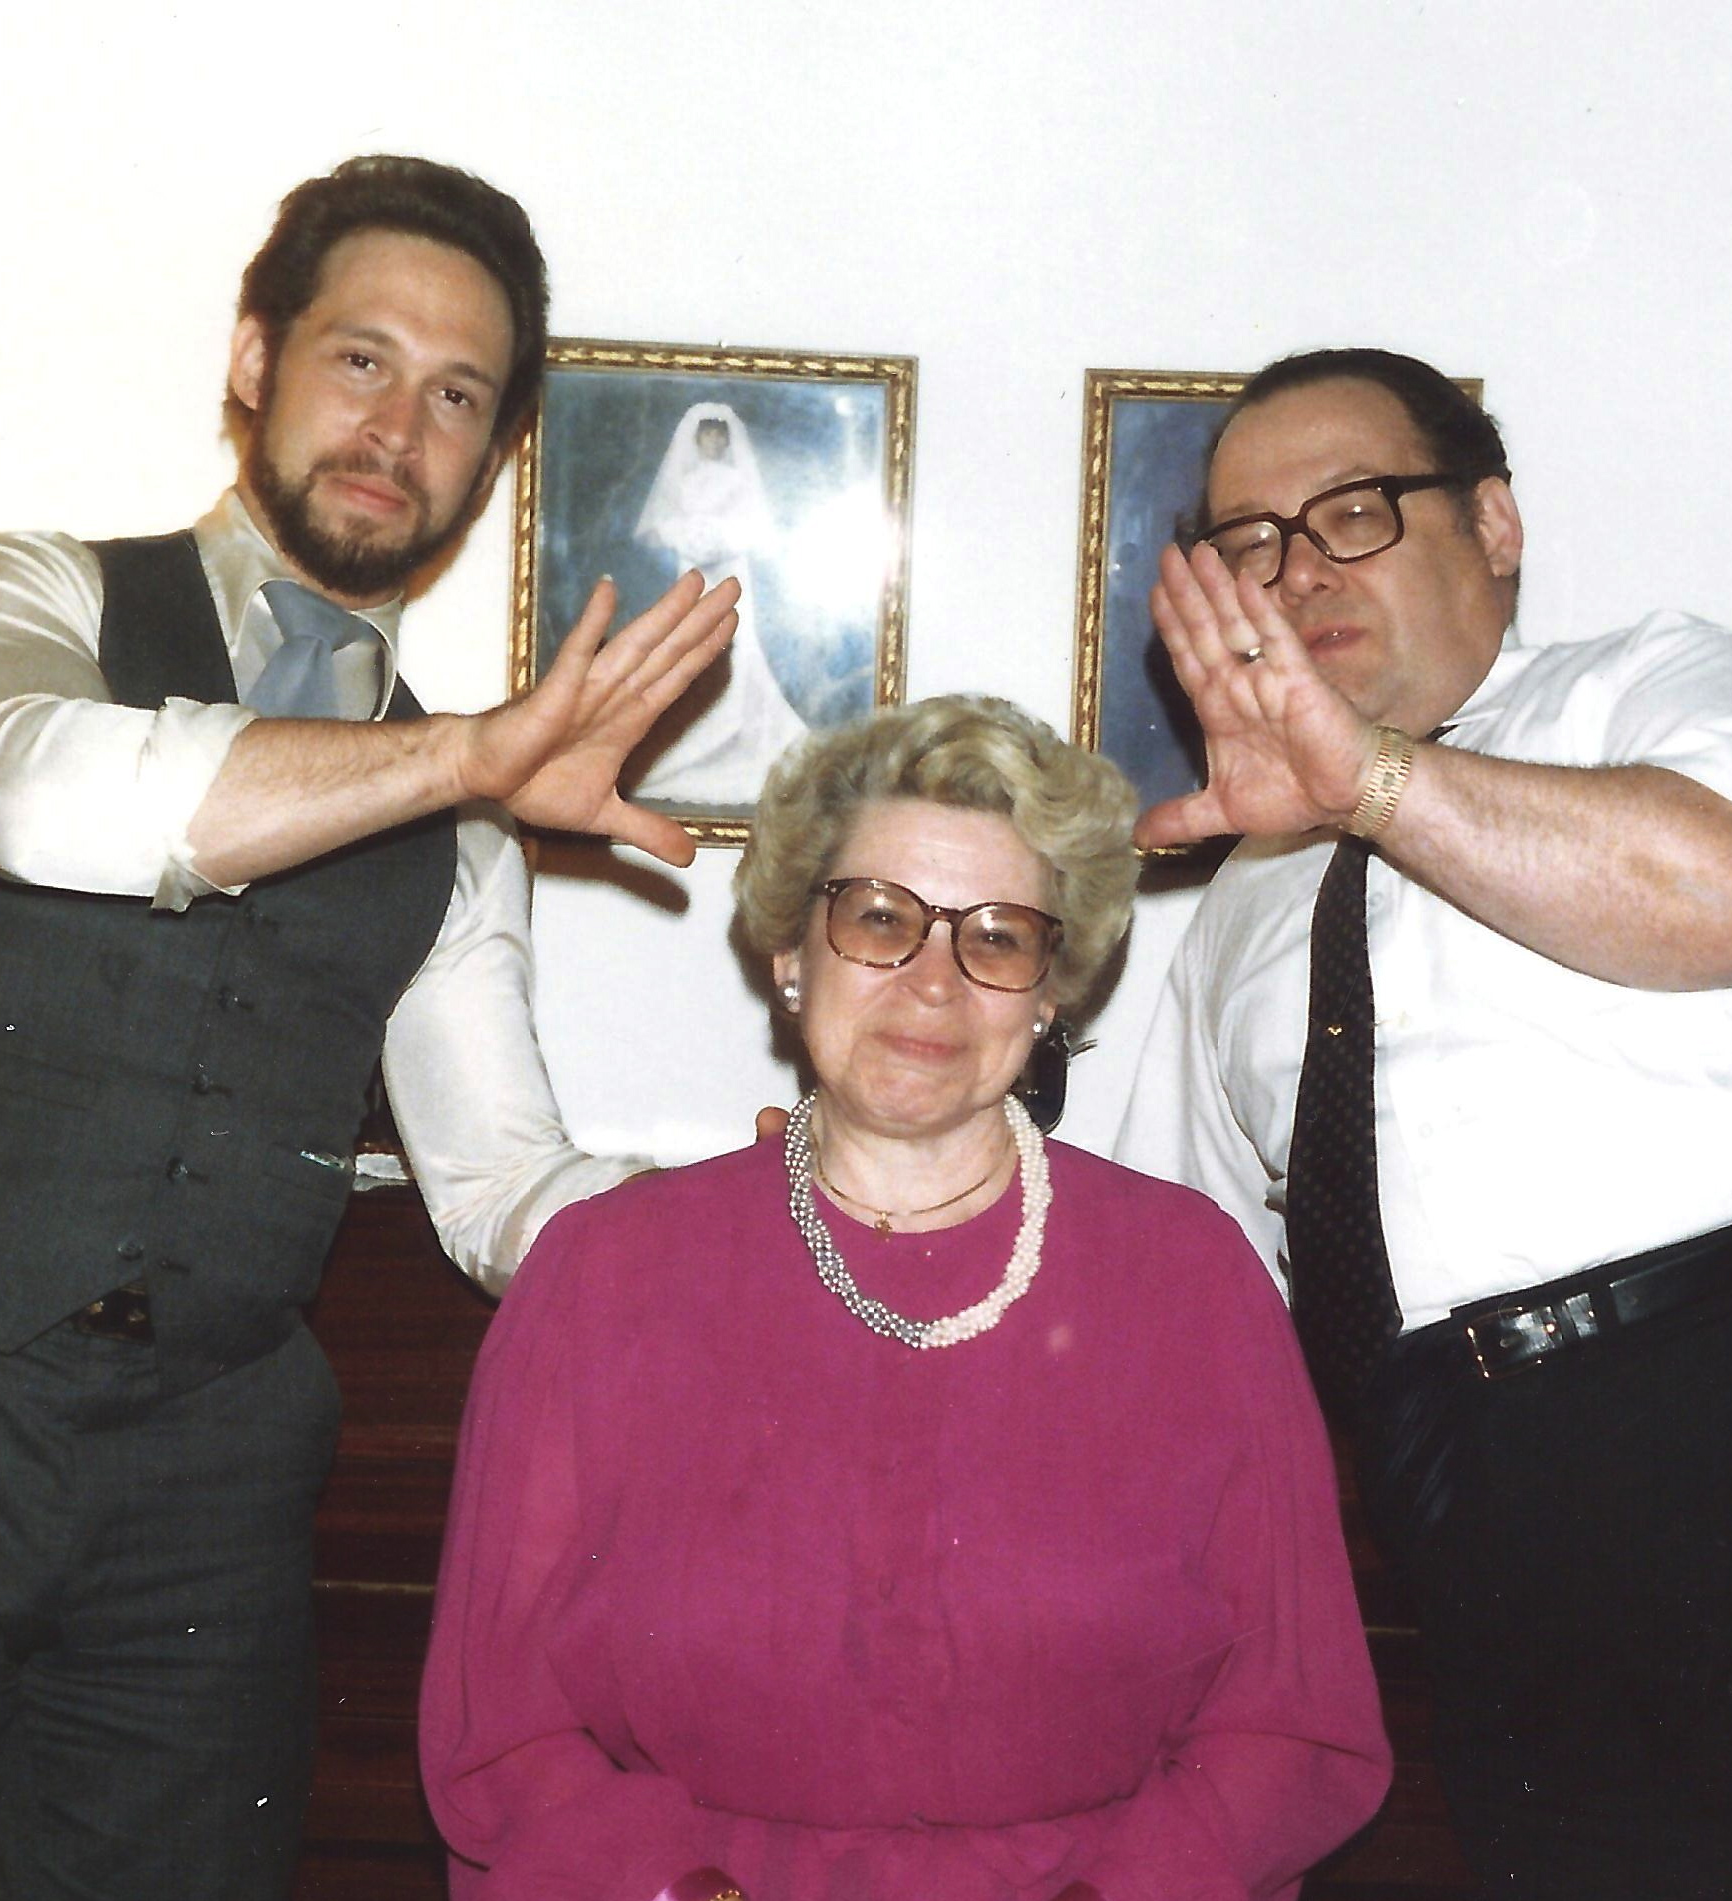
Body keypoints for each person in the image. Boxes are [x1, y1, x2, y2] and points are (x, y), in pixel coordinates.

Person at [0, 155, 740, 1901]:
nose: (395, 427)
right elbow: (37, 798)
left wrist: (759, 1221)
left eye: (456, 396)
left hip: (207, 1475)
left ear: (493, 456)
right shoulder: (16, 597)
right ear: (254, 359)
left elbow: (500, 1189)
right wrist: (465, 756)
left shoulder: (465, 822)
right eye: (360, 359)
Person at [1116, 347, 1732, 1899]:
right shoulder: (1242, 905)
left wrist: (1365, 778)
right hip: (1488, 1490)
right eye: (1250, 541)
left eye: (1353, 511)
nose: (1296, 570)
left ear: (1493, 524)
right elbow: (1179, 1283)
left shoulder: (1654, 687)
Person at [422, 696, 1391, 1901]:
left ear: (1048, 994)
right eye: (879, 917)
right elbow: (502, 1731)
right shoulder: (600, 1272)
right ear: (790, 954)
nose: (934, 984)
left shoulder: (1192, 1277)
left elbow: (1292, 1722)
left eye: (996, 937)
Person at [629, 400, 809, 804]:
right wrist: (687, 536)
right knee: (691, 641)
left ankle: (742, 732)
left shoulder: (738, 479)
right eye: (707, 436)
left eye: (718, 437)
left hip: (728, 568)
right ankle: (692, 737)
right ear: (696, 440)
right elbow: (663, 522)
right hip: (694, 569)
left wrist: (721, 538)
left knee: (737, 645)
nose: (712, 442)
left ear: (727, 442)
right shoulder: (683, 481)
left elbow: (753, 525)